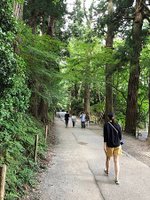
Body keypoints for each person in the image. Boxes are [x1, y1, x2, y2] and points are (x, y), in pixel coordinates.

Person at [103, 112, 122, 185]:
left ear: (108, 117)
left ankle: (107, 171)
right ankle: (117, 178)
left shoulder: (106, 125)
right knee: (116, 161)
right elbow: (120, 137)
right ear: (114, 117)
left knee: (108, 158)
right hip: (117, 145)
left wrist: (104, 145)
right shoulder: (118, 125)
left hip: (109, 145)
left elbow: (105, 137)